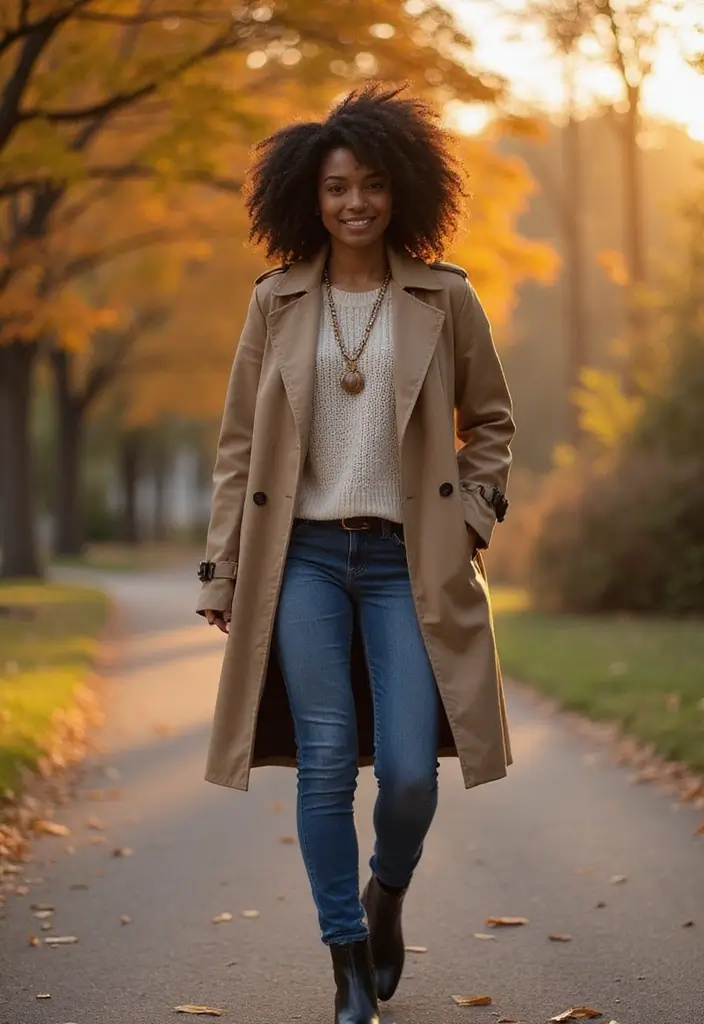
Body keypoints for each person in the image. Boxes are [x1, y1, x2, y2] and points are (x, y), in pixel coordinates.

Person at [196, 83, 515, 1024]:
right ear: (310, 196)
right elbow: (237, 450)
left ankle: (387, 892)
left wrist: (471, 522)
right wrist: (221, 566)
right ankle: (345, 958)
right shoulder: (275, 304)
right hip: (300, 560)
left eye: (373, 185)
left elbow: (491, 423)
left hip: (406, 564)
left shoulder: (446, 298)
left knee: (412, 772)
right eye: (337, 187)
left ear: (403, 191)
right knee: (330, 758)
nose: (355, 204)